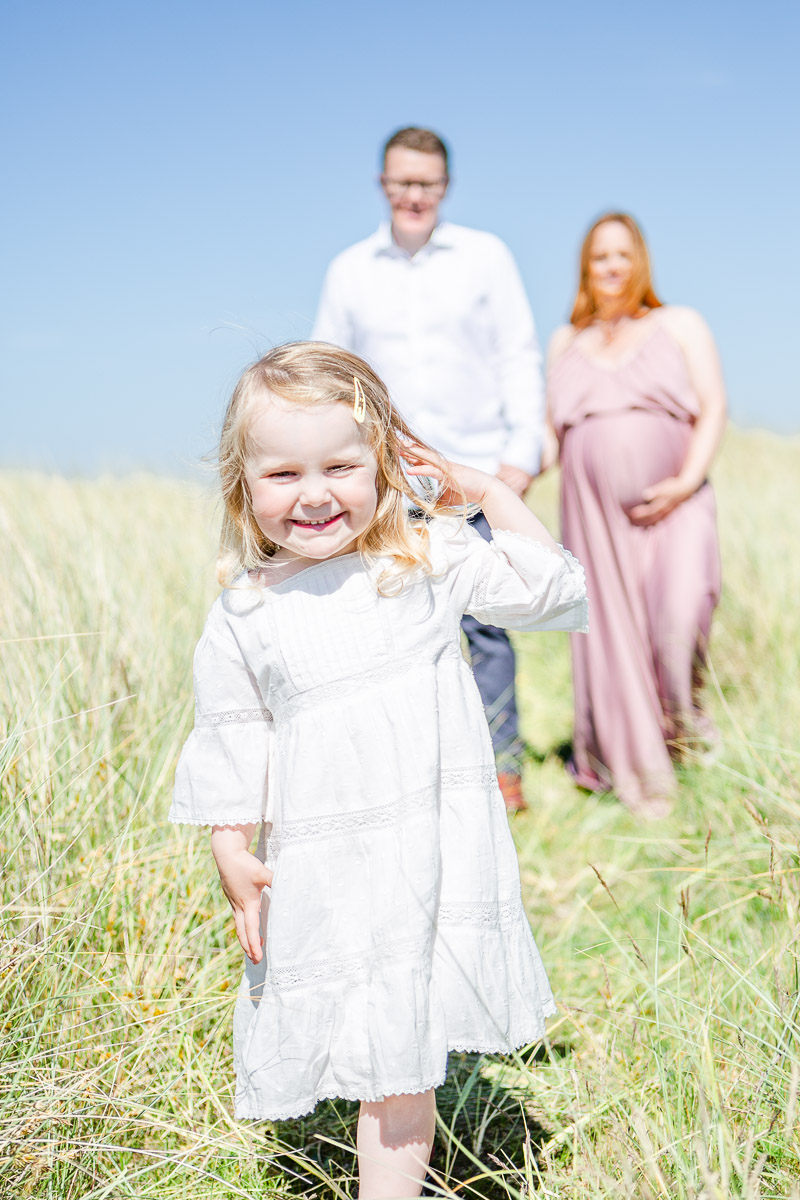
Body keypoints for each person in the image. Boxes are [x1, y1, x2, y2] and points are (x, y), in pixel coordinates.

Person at [170, 342, 587, 1198]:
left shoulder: (423, 560)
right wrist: (229, 845)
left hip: (425, 850)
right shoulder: (246, 607)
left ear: (385, 463)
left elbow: (549, 591)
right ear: (243, 485)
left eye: (340, 466)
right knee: (361, 1030)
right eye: (283, 473)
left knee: (401, 1050)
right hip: (323, 862)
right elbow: (233, 729)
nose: (315, 493)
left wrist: (488, 493)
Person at [313, 127, 545, 812]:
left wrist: (519, 455)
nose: (414, 195)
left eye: (427, 183)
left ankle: (503, 774)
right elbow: (330, 373)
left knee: (486, 623)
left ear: (444, 186)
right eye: (402, 182)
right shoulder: (349, 271)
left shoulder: (486, 258)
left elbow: (518, 354)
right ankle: (412, 774)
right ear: (383, 184)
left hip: (471, 471)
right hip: (382, 477)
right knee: (389, 620)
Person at [544, 212, 725, 817]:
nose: (612, 266)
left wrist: (686, 480)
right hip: (594, 519)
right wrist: (499, 478)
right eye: (600, 256)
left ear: (641, 260)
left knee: (680, 618)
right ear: (585, 267)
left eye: (623, 254)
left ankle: (684, 732)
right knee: (615, 639)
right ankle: (639, 769)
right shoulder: (567, 341)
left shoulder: (678, 324)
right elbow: (550, 437)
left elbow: (714, 406)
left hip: (678, 502)